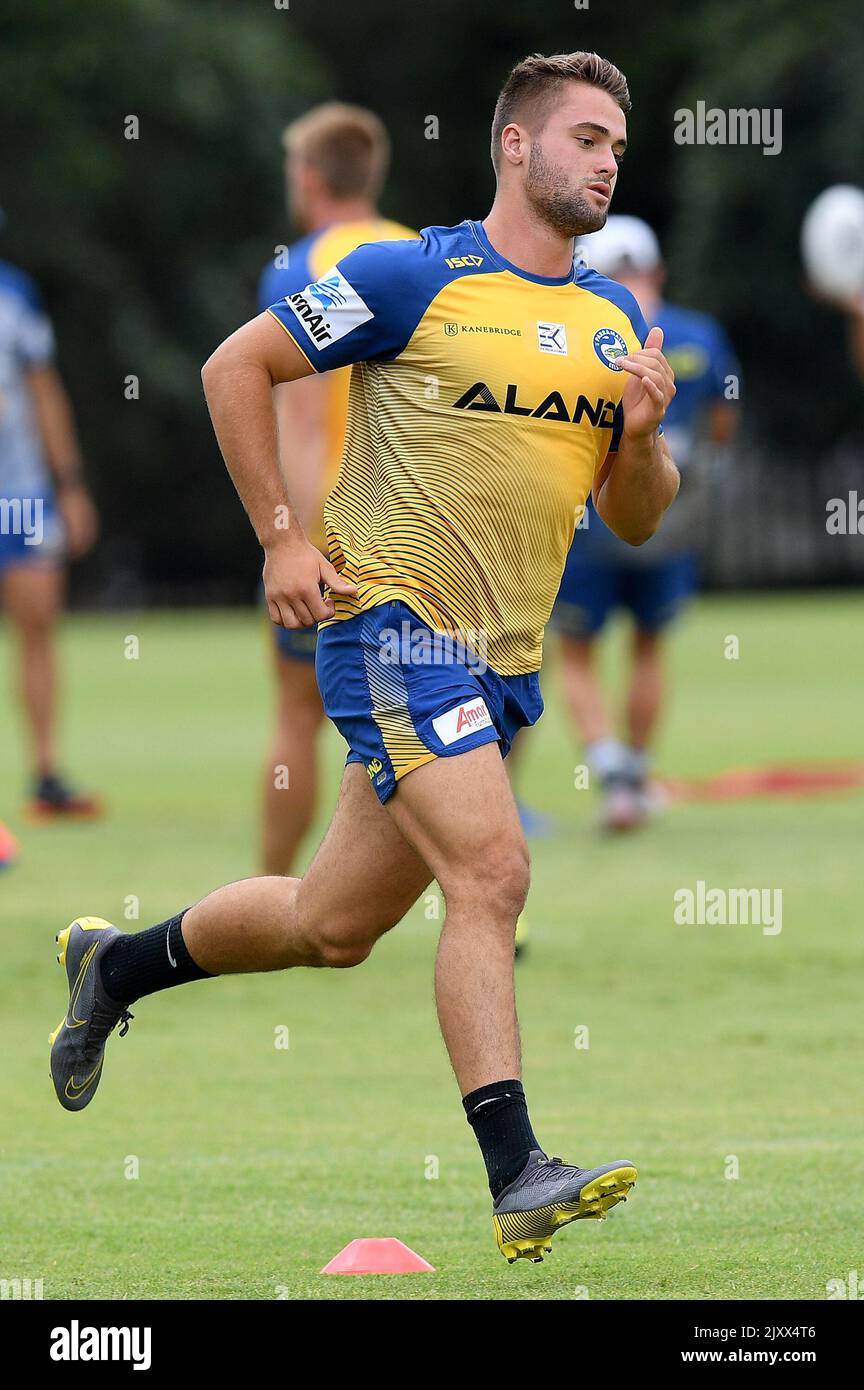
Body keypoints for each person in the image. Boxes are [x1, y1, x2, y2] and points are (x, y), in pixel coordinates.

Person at [50, 51, 679, 1264]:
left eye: (615, 143)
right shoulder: (405, 275)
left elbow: (636, 514)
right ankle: (516, 1171)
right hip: (391, 626)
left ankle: (114, 965)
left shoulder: (610, 325)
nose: (607, 161)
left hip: (497, 661)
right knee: (491, 875)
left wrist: (643, 440)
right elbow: (236, 365)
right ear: (513, 145)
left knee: (331, 926)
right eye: (585, 138)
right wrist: (280, 538)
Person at [258, 104, 415, 875]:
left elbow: (299, 419)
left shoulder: (305, 265)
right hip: (428, 537)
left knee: (297, 717)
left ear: (312, 178)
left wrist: (291, 537)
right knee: (434, 712)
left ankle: (271, 891)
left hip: (336, 530)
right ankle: (472, 891)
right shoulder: (422, 253)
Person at [553, 216, 740, 829]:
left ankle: (609, 772)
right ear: (656, 269)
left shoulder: (585, 329)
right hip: (669, 514)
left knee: (575, 652)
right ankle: (634, 771)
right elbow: (723, 421)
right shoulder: (701, 334)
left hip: (589, 516)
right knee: (650, 644)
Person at [0, 256, 100, 816]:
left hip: (19, 494)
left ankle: (44, 775)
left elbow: (44, 391)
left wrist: (70, 484)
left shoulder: (16, 295)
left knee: (37, 623)